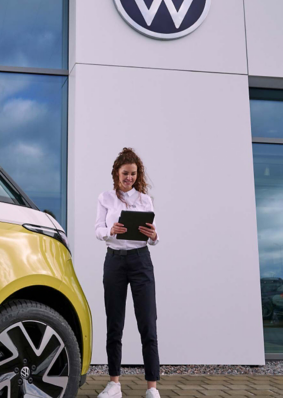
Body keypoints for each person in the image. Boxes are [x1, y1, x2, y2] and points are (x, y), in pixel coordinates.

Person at [95, 148, 160, 398]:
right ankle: (114, 384)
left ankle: (152, 387)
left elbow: (153, 235)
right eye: (125, 173)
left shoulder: (145, 200)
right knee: (115, 323)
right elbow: (97, 229)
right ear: (116, 173)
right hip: (114, 262)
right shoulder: (105, 198)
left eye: (133, 174)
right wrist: (110, 230)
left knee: (148, 323)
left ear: (137, 174)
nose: (129, 178)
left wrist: (154, 236)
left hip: (140, 261)